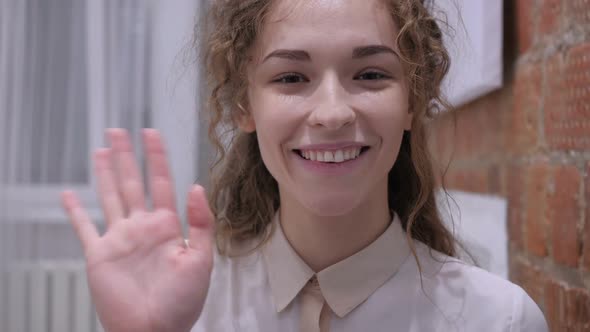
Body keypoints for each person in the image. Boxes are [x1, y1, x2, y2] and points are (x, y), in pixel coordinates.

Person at [61, 0, 549, 331]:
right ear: (243, 106)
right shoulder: (189, 308)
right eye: (292, 76)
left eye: (371, 74)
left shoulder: (497, 320)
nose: (333, 112)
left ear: (412, 100)